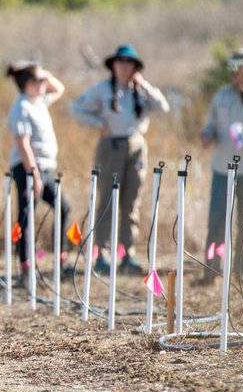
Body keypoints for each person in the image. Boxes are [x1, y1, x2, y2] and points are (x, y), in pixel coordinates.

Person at [68, 44, 169, 275]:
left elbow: (163, 106)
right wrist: (97, 124)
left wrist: (143, 84)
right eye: (120, 62)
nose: (124, 66)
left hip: (136, 146)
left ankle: (127, 253)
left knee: (131, 203)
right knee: (107, 201)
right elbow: (76, 109)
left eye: (129, 62)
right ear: (113, 65)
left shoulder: (141, 90)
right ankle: (101, 254)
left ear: (135, 67)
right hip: (111, 144)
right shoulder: (102, 89)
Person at [6, 61, 70, 278]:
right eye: (39, 80)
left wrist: (46, 75)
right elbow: (23, 144)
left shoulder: (39, 101)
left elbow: (59, 89)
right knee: (26, 216)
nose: (44, 83)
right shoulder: (21, 107)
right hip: (27, 169)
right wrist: (33, 174)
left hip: (44, 169)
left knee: (63, 206)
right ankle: (25, 266)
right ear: (27, 84)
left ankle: (60, 259)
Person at [200, 47, 243, 281]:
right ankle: (211, 269)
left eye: (238, 67)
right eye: (230, 67)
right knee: (216, 222)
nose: (232, 72)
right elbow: (209, 124)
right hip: (222, 168)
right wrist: (207, 133)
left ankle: (241, 271)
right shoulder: (221, 95)